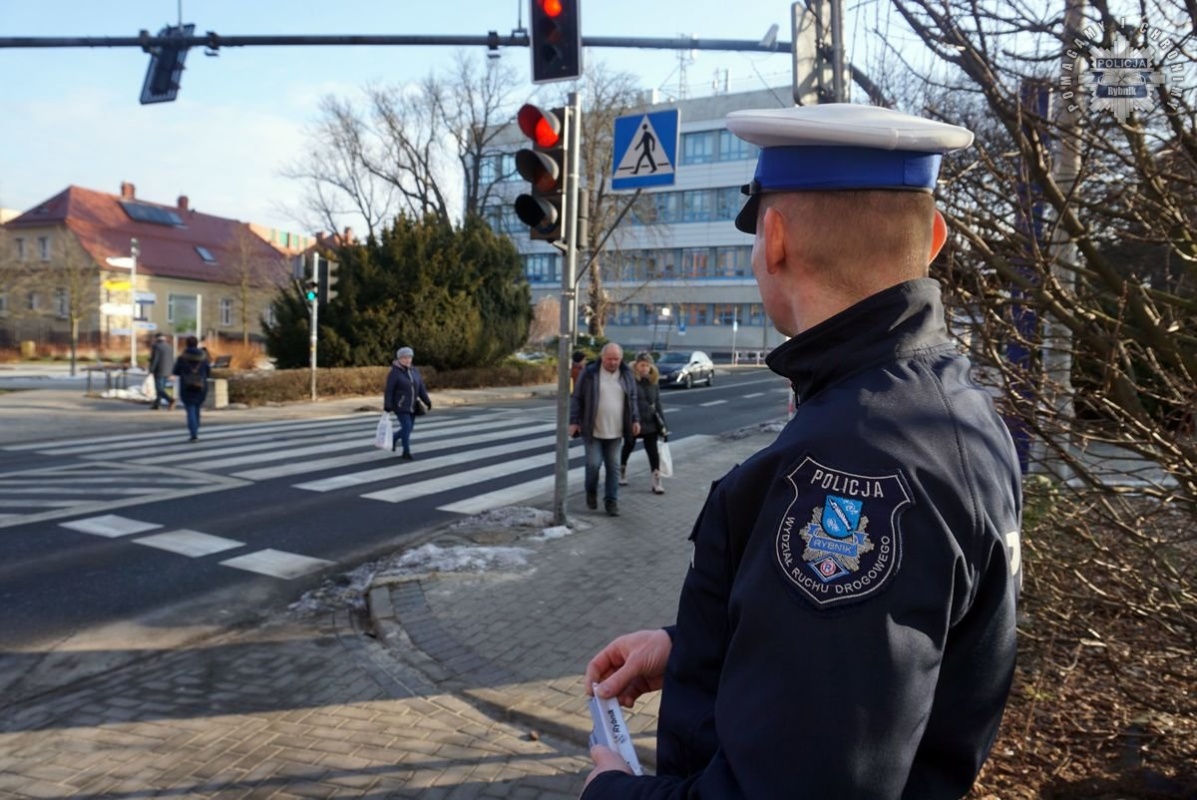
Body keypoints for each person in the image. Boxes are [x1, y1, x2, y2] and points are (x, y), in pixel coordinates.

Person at [581, 104, 1023, 799]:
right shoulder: (951, 406)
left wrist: (609, 793)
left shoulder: (852, 463)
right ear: (933, 237)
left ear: (775, 239)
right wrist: (694, 649)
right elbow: (867, 665)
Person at [569, 342, 640, 517]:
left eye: (616, 359)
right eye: (609, 359)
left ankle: (611, 501)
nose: (613, 362)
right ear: (602, 357)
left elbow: (632, 398)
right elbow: (577, 397)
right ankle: (591, 491)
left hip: (616, 430)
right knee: (593, 465)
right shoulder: (590, 373)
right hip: (593, 428)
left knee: (613, 467)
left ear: (621, 359)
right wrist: (574, 421)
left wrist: (635, 420)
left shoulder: (626, 374)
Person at [619, 352, 668, 495]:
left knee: (653, 451)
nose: (645, 368)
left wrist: (663, 425)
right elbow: (625, 403)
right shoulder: (630, 380)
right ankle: (622, 470)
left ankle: (656, 480)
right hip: (634, 421)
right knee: (629, 446)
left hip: (650, 421)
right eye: (642, 365)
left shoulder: (654, 382)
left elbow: (657, 403)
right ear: (636, 365)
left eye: (647, 365)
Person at [383, 346, 431, 460]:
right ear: (399, 359)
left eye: (409, 357)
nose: (407, 360)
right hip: (400, 405)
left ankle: (393, 438)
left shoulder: (414, 371)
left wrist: (427, 401)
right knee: (407, 426)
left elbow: (421, 388)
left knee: (408, 429)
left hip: (413, 405)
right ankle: (406, 452)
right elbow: (389, 390)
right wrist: (387, 405)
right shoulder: (394, 373)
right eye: (404, 357)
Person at [171, 336, 210, 442]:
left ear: (187, 344)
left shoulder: (182, 358)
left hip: (186, 387)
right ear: (197, 344)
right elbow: (208, 372)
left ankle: (193, 433)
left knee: (190, 409)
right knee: (197, 408)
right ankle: (196, 427)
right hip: (201, 386)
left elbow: (176, 371)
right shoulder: (203, 357)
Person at [147, 333, 175, 411]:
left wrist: (151, 369)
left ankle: (170, 400)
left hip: (159, 370)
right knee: (161, 387)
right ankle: (157, 404)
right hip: (168, 370)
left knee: (159, 389)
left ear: (156, 338)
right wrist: (172, 371)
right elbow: (172, 359)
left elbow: (155, 359)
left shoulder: (156, 346)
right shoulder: (169, 347)